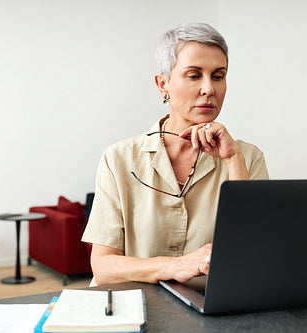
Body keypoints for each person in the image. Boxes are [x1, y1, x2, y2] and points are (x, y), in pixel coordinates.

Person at [81, 23, 268, 287]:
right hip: (133, 307)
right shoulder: (118, 158)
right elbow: (103, 267)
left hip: (211, 311)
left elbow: (254, 256)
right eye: (193, 75)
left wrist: (233, 161)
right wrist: (177, 266)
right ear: (163, 84)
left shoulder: (247, 157)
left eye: (218, 76)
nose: (209, 89)